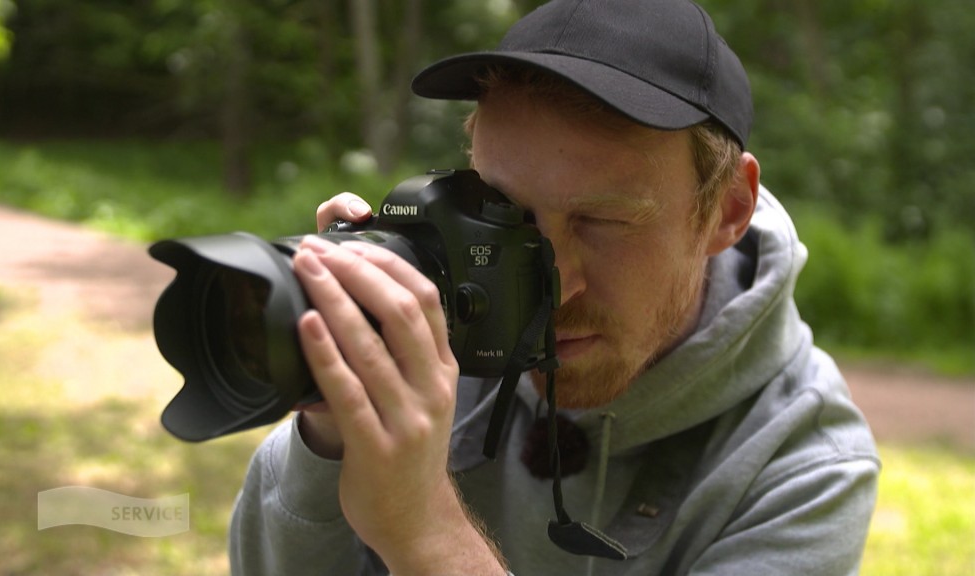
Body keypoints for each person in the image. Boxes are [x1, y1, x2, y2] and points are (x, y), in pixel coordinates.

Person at [229, 0, 881, 574]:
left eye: (603, 221)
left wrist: (427, 535)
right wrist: (330, 427)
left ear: (728, 210)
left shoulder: (803, 465)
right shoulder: (441, 320)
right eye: (511, 216)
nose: (557, 285)